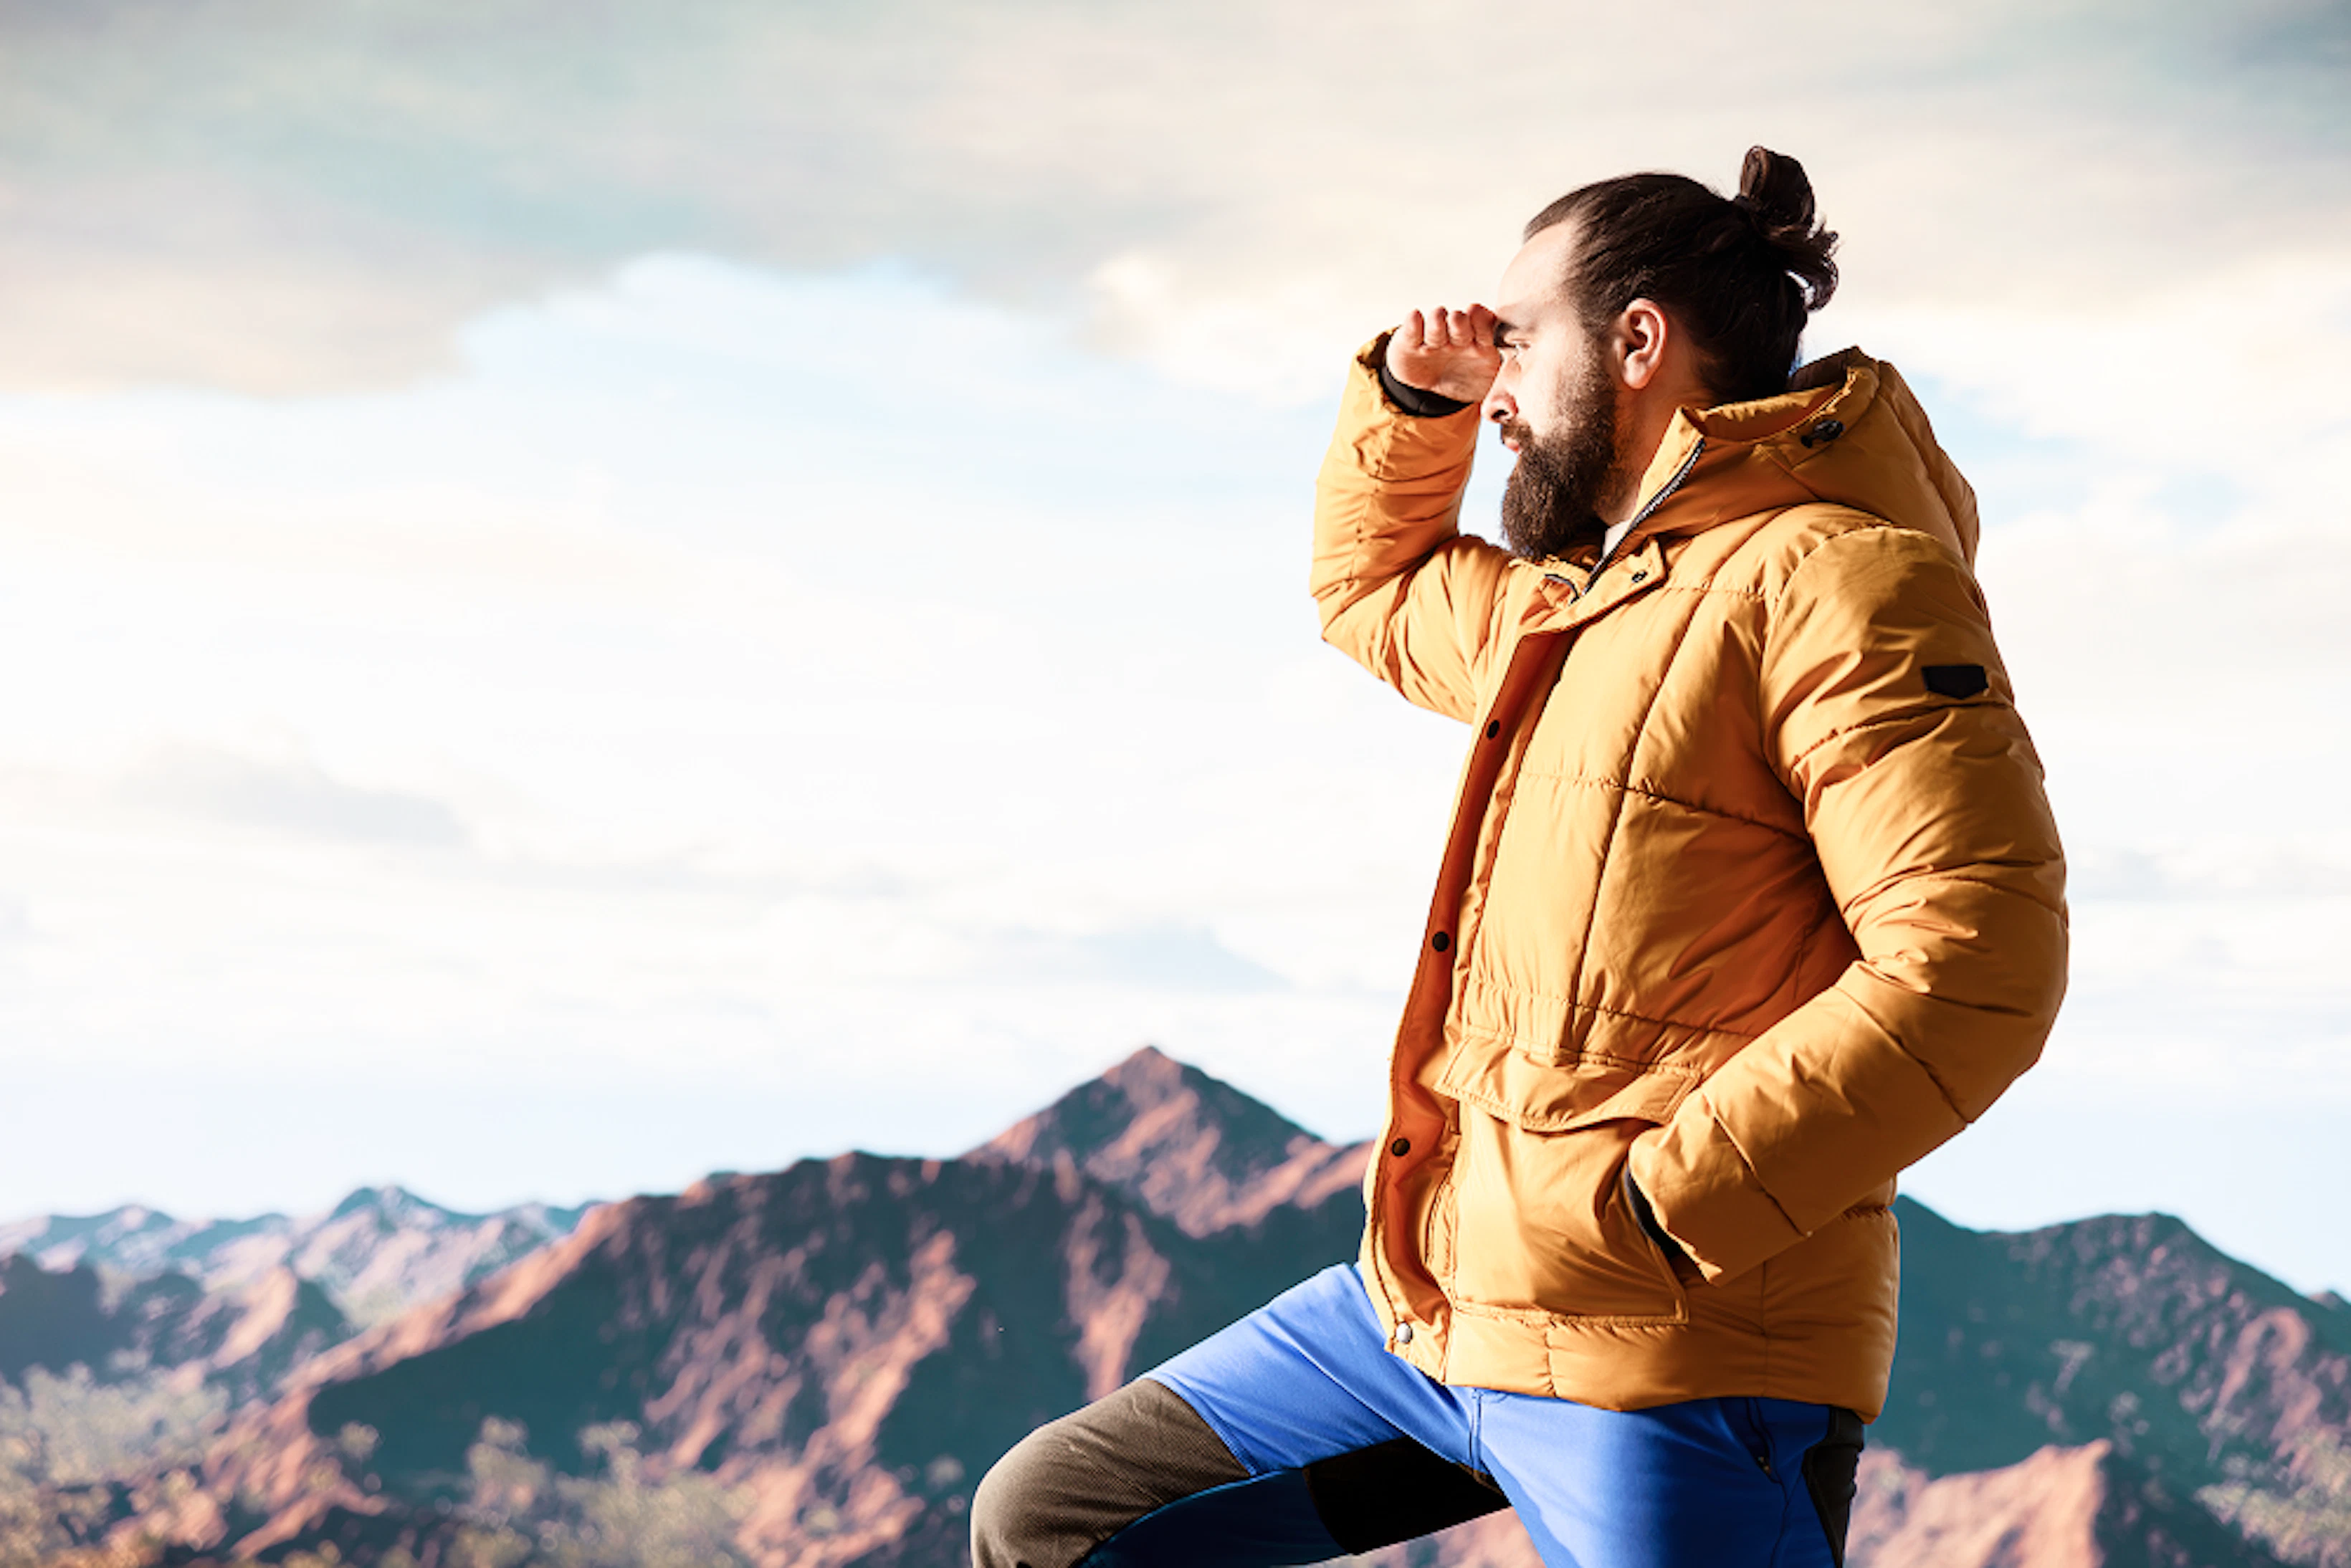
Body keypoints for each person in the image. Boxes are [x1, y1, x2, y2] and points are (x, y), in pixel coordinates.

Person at [971, 147, 2067, 1568]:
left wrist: (1659, 1216)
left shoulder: (1836, 579)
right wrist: (1414, 408)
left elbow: (1973, 962)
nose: (1492, 382)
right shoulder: (1570, 613)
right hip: (1433, 1305)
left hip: (1668, 1352)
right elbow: (1369, 590)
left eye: (1516, 337)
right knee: (1057, 1517)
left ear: (1635, 341)